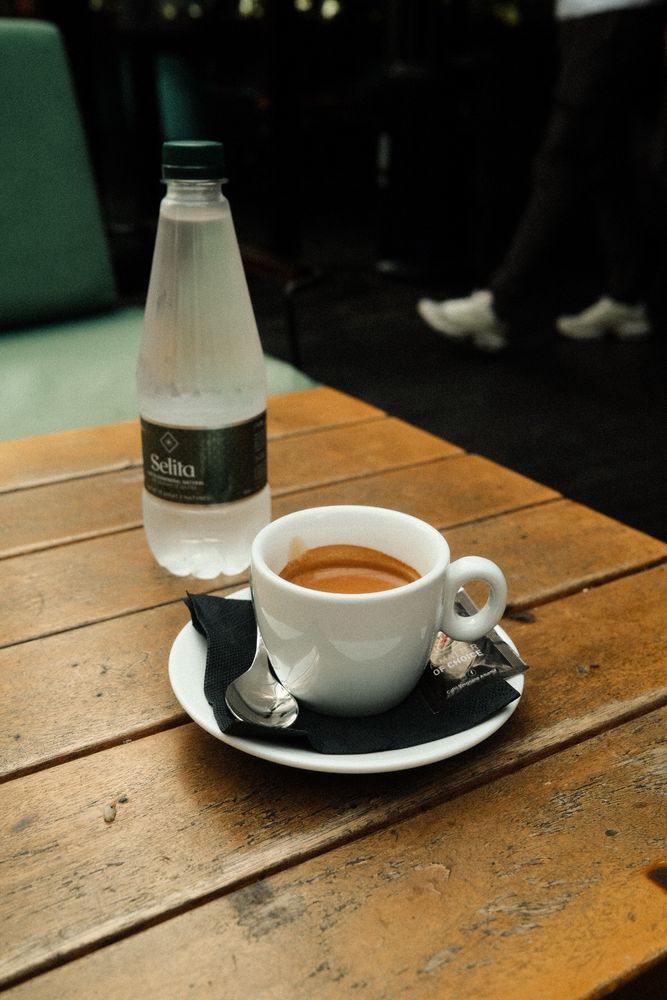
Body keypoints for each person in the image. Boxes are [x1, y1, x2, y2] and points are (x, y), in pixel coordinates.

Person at [417, 0, 666, 352]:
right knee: (606, 161)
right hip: (595, 15)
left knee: (565, 156)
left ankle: (500, 303)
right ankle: (628, 298)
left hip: (611, 11)